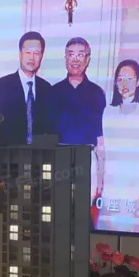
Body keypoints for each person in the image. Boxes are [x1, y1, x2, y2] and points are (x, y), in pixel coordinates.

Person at [99, 58, 139, 232]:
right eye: (120, 79)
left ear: (138, 82)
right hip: (112, 187)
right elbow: (106, 152)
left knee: (134, 236)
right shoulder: (108, 112)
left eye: (129, 79)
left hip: (137, 189)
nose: (124, 84)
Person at [49, 37, 107, 202]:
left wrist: (101, 174)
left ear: (87, 59)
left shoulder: (97, 93)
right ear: (65, 58)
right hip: (59, 161)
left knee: (83, 209)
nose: (75, 59)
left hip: (87, 161)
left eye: (80, 55)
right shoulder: (52, 92)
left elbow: (100, 137)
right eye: (71, 54)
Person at [0, 31, 55, 146]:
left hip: (40, 154)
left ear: (41, 56)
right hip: (9, 154)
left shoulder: (46, 88)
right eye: (28, 52)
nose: (32, 58)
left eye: (36, 53)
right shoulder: (2, 86)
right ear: (20, 54)